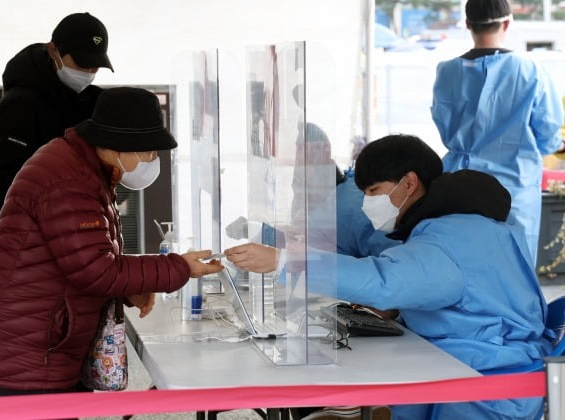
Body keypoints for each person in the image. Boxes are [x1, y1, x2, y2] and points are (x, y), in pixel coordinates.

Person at [226, 134, 554, 420]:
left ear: (409, 183)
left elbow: (384, 280)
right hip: (476, 363)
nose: (368, 204)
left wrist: (287, 261)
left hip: (487, 385)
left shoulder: (450, 236)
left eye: (374, 191)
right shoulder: (464, 223)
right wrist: (401, 310)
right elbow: (468, 299)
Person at [0, 87, 223, 395]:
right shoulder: (67, 180)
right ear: (120, 144)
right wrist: (178, 267)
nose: (153, 160)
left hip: (43, 335)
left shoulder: (81, 167)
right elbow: (96, 270)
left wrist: (131, 289)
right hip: (30, 344)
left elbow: (84, 257)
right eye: (150, 152)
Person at [0, 12, 114, 377]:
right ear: (54, 51)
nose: (88, 72)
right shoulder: (20, 107)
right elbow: (9, 190)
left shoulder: (86, 103)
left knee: (59, 369)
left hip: (62, 254)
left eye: (95, 66)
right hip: (22, 257)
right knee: (24, 369)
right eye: (81, 63)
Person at [431, 0, 564, 265]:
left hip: (460, 183)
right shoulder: (530, 71)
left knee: (466, 263)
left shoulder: (446, 71)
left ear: (468, 24)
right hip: (514, 186)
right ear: (507, 22)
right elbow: (548, 135)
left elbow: (444, 126)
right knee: (515, 266)